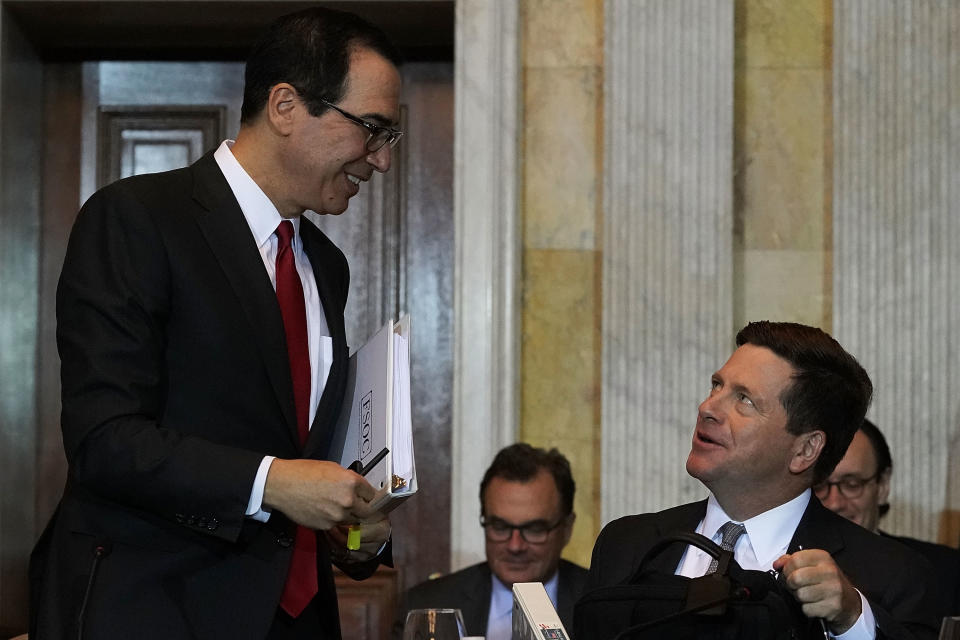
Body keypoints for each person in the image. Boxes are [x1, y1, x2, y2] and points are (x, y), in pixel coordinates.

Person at [29, 7, 404, 639]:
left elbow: (298, 447)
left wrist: (351, 527)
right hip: (157, 611)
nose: (381, 159)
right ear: (285, 106)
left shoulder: (326, 265)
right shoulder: (138, 219)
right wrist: (273, 481)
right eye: (371, 128)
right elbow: (104, 439)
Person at [581, 321, 939, 639]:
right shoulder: (627, 544)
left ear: (805, 450)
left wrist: (850, 622)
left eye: (744, 400)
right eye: (716, 386)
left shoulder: (891, 576)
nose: (708, 408)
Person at [396, 443, 587, 639]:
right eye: (500, 527)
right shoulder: (426, 606)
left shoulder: (604, 606)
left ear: (567, 529)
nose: (515, 546)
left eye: (534, 529)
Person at [817, 418, 960, 618]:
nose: (834, 502)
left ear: (882, 485)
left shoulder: (947, 573)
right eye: (819, 486)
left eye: (852, 484)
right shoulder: (777, 565)